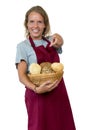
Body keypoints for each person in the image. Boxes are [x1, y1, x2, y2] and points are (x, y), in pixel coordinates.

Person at [15, 5, 76, 130]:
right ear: (27, 24)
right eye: (32, 21)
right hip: (38, 96)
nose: (35, 26)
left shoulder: (50, 41)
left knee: (62, 125)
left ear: (45, 25)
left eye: (39, 22)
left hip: (58, 94)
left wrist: (60, 39)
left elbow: (59, 40)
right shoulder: (23, 46)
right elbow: (21, 76)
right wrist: (36, 89)